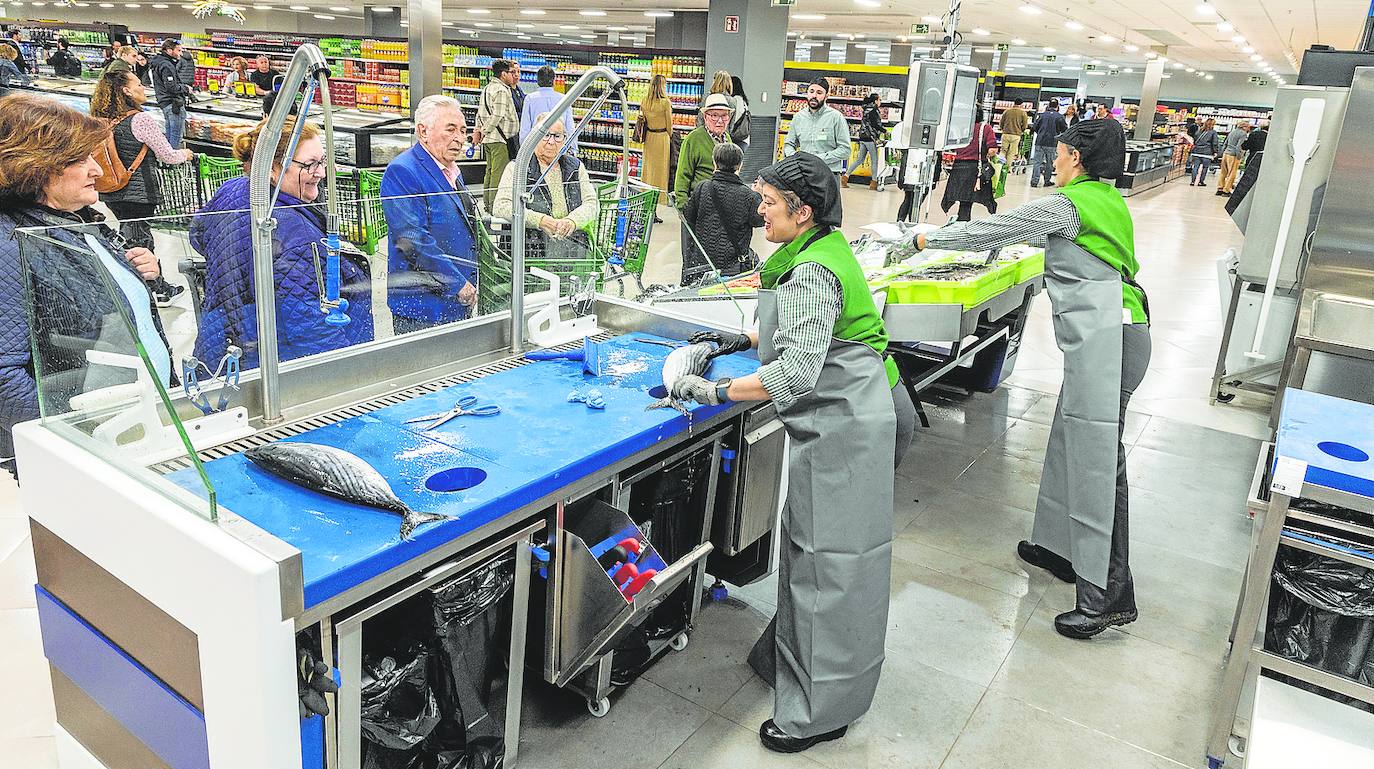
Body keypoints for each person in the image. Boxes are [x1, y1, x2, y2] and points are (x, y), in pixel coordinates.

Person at [673, 151, 914, 753]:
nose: (759, 210)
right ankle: (797, 663)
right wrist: (743, 336)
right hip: (864, 410)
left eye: (769, 202)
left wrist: (714, 390)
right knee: (824, 561)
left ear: (802, 212)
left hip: (850, 427)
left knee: (830, 565)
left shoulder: (810, 270)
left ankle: (818, 712)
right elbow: (811, 326)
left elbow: (800, 372)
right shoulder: (819, 251)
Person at [914, 118, 1150, 640]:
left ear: (1077, 158)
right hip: (1106, 337)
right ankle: (1060, 548)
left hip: (1112, 339)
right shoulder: (1104, 199)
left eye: (1062, 152)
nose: (1056, 160)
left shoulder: (1071, 203)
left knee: (1098, 463)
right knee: (1073, 442)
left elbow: (996, 227)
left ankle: (1108, 594)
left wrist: (930, 237)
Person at [0, 94, 173, 479]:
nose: (97, 169)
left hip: (129, 421)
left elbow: (84, 302)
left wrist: (134, 275)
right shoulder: (11, 242)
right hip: (90, 443)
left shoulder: (74, 218)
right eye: (80, 160)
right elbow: (4, 375)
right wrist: (75, 445)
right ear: (34, 168)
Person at [191, 116, 374, 369]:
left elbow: (199, 234)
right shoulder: (293, 234)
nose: (320, 173)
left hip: (224, 345)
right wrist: (354, 373)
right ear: (272, 169)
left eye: (322, 162)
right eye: (309, 165)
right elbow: (313, 331)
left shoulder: (234, 190)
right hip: (270, 365)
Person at [90, 67, 194, 305]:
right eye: (138, 84)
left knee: (132, 237)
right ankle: (154, 289)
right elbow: (167, 155)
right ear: (126, 90)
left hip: (111, 189)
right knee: (140, 242)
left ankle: (157, 285)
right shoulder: (141, 119)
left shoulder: (103, 120)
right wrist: (185, 154)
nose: (144, 88)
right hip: (139, 191)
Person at [380, 95, 480, 333]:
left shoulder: (451, 170)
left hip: (455, 300)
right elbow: (412, 240)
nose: (459, 138)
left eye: (463, 130)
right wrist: (457, 283)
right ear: (423, 131)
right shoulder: (403, 171)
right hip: (424, 306)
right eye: (451, 129)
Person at [492, 112, 597, 267]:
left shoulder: (575, 167)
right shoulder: (518, 168)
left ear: (565, 139)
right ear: (534, 137)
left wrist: (572, 221)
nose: (551, 142)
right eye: (545, 135)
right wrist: (539, 221)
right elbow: (501, 206)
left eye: (557, 136)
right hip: (529, 251)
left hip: (570, 250)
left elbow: (592, 204)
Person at [674, 93, 735, 283]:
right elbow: (683, 173)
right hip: (697, 207)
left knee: (712, 255)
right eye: (714, 115)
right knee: (692, 255)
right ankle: (687, 287)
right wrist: (683, 205)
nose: (719, 120)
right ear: (705, 116)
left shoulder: (727, 139)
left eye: (724, 115)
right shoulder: (694, 139)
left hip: (721, 209)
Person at [684, 143, 763, 276]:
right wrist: (760, 195)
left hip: (703, 264)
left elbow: (688, 216)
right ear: (740, 165)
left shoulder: (702, 188)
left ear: (714, 163)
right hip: (733, 267)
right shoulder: (749, 196)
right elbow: (760, 220)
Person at [474, 58, 520, 210]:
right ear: (503, 74)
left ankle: (487, 203)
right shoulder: (501, 90)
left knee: (489, 172)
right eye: (509, 72)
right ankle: (494, 205)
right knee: (498, 173)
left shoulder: (487, 88)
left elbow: (480, 113)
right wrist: (484, 131)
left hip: (489, 139)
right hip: (498, 138)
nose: (512, 75)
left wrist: (479, 130)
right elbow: (498, 115)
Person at [941, 106, 999, 222]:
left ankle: (961, 224)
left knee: (963, 200)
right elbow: (992, 149)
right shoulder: (985, 128)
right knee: (967, 201)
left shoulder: (959, 128)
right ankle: (962, 227)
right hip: (974, 169)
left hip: (958, 168)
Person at [784, 79, 851, 176]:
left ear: (826, 96)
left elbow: (845, 149)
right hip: (803, 173)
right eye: (811, 92)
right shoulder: (798, 117)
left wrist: (819, 159)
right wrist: (795, 157)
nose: (814, 96)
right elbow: (789, 144)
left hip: (828, 174)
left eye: (819, 93)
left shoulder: (836, 117)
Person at [637, 74, 672, 216]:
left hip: (650, 138)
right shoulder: (665, 103)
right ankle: (657, 203)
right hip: (662, 138)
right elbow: (669, 125)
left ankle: (647, 204)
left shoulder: (645, 101)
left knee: (648, 172)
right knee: (661, 173)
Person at [519, 66, 575, 153]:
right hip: (558, 146)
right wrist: (573, 149)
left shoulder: (530, 98)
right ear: (553, 81)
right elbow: (570, 127)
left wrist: (524, 151)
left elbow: (525, 128)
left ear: (537, 80)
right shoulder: (564, 99)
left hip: (537, 146)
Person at [149, 38, 191, 148]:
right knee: (175, 137)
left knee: (169, 135)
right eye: (178, 51)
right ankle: (173, 162)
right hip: (173, 104)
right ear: (169, 50)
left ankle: (167, 162)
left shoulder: (158, 62)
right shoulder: (166, 65)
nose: (181, 54)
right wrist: (185, 88)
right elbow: (171, 87)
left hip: (164, 103)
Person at [843, 92, 884, 190]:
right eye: (879, 100)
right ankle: (873, 183)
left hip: (862, 137)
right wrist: (884, 131)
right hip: (870, 138)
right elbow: (875, 124)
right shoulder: (874, 110)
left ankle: (845, 176)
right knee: (874, 160)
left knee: (859, 159)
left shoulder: (866, 109)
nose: (880, 102)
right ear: (875, 101)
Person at [1030, 101, 1066, 188]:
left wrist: (1040, 132)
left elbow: (1034, 127)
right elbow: (1064, 129)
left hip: (1040, 141)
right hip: (1052, 143)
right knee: (1049, 163)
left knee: (1037, 162)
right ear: (1057, 106)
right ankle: (1047, 181)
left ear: (1049, 106)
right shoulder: (1060, 117)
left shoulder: (1042, 115)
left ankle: (1034, 181)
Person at [1217, 122, 1250, 196]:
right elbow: (1239, 146)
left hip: (1226, 153)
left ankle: (1220, 188)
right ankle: (1226, 190)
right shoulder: (1243, 134)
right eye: (1248, 127)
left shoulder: (1232, 132)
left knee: (1223, 172)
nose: (1249, 129)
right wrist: (1239, 156)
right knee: (1232, 173)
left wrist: (1223, 153)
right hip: (1233, 155)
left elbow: (1225, 143)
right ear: (1244, 127)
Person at [1000, 99, 1030, 169]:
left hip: (1006, 134)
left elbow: (1001, 122)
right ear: (1021, 104)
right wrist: (1021, 130)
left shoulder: (1007, 111)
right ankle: (1007, 169)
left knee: (1003, 151)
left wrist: (1003, 129)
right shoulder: (1023, 113)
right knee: (1011, 153)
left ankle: (999, 166)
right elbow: (1025, 125)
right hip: (1016, 135)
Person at [1190, 118, 1219, 187]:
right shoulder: (1213, 132)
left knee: (1195, 167)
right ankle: (1201, 182)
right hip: (1207, 153)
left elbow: (1195, 139)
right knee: (1205, 167)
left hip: (1196, 151)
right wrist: (1215, 152)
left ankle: (1192, 181)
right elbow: (1215, 143)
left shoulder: (1199, 131)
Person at [729, 74, 750, 147]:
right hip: (743, 139)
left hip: (737, 139)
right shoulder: (743, 100)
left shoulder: (737, 100)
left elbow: (735, 119)